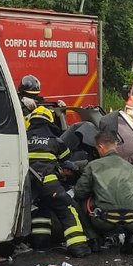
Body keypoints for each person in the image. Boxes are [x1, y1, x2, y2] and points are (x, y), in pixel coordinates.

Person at [24, 106, 90, 257]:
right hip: (49, 183)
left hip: (28, 186)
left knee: (41, 208)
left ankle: (40, 243)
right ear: (49, 122)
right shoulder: (55, 141)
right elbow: (65, 161)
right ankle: (78, 247)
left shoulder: (22, 138)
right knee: (67, 209)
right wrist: (76, 167)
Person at [74, 126, 133, 254]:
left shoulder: (93, 166)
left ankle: (94, 239)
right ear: (115, 146)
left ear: (100, 147)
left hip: (103, 220)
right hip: (131, 220)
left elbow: (79, 192)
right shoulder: (130, 167)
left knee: (78, 202)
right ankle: (131, 236)